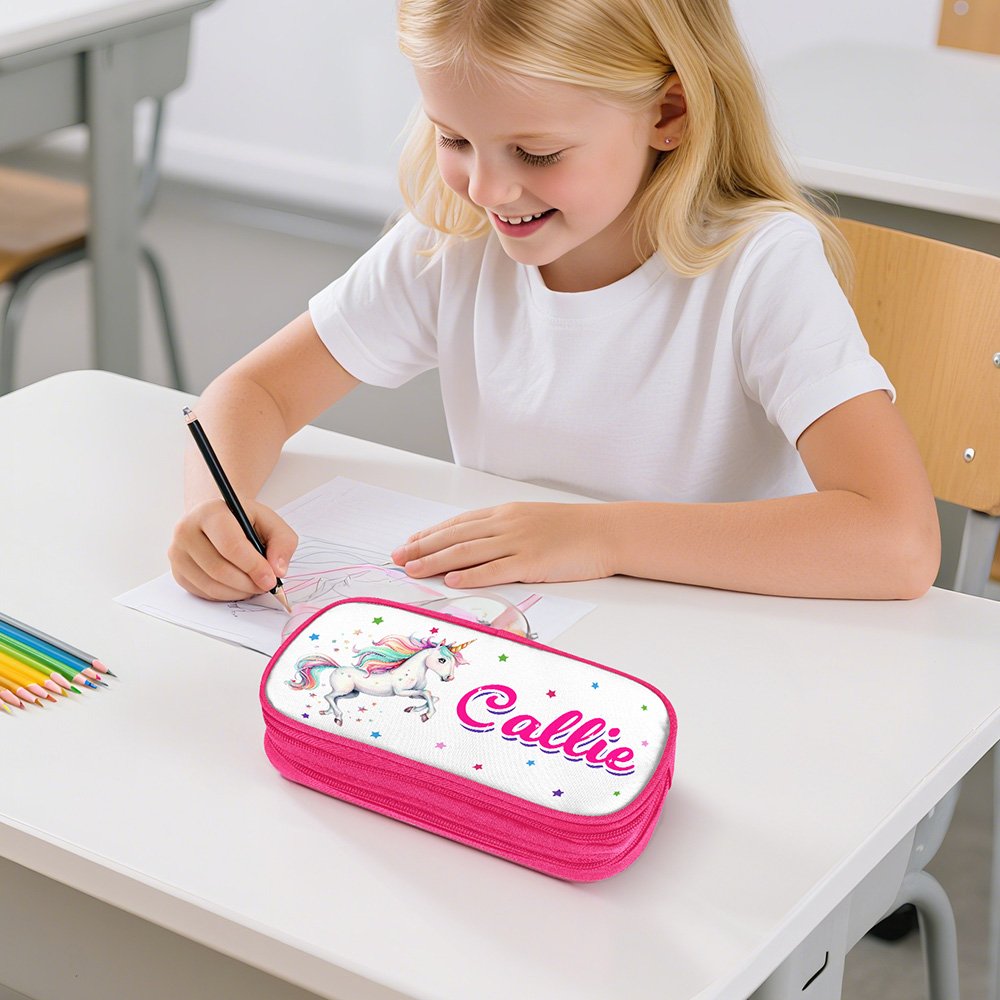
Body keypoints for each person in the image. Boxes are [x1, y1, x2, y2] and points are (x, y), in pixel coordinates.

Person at [169, 0, 940, 604]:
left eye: (536, 153)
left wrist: (602, 537)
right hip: (536, 645)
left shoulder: (759, 268)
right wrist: (214, 509)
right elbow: (257, 391)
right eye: (454, 139)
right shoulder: (453, 239)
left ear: (669, 114)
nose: (487, 189)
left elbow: (898, 540)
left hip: (727, 658)